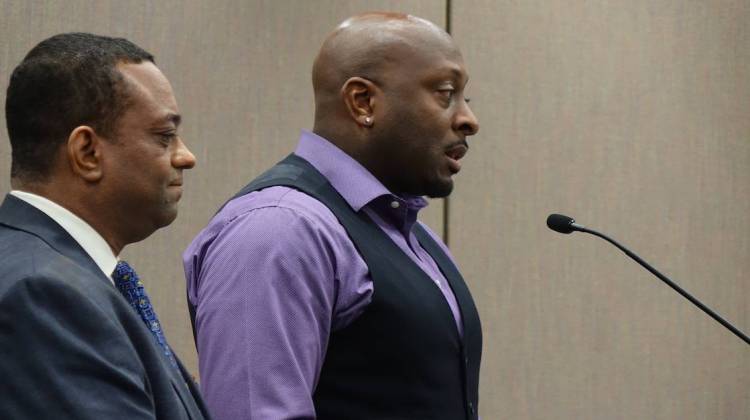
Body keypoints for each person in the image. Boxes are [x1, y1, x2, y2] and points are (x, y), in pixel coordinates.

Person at [184, 12, 482, 420]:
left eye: (467, 99)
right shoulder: (278, 230)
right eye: (445, 94)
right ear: (363, 102)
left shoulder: (410, 234)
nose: (468, 119)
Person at [0, 33, 211, 419]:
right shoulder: (45, 294)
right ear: (87, 152)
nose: (186, 156)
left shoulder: (69, 276)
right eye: (165, 136)